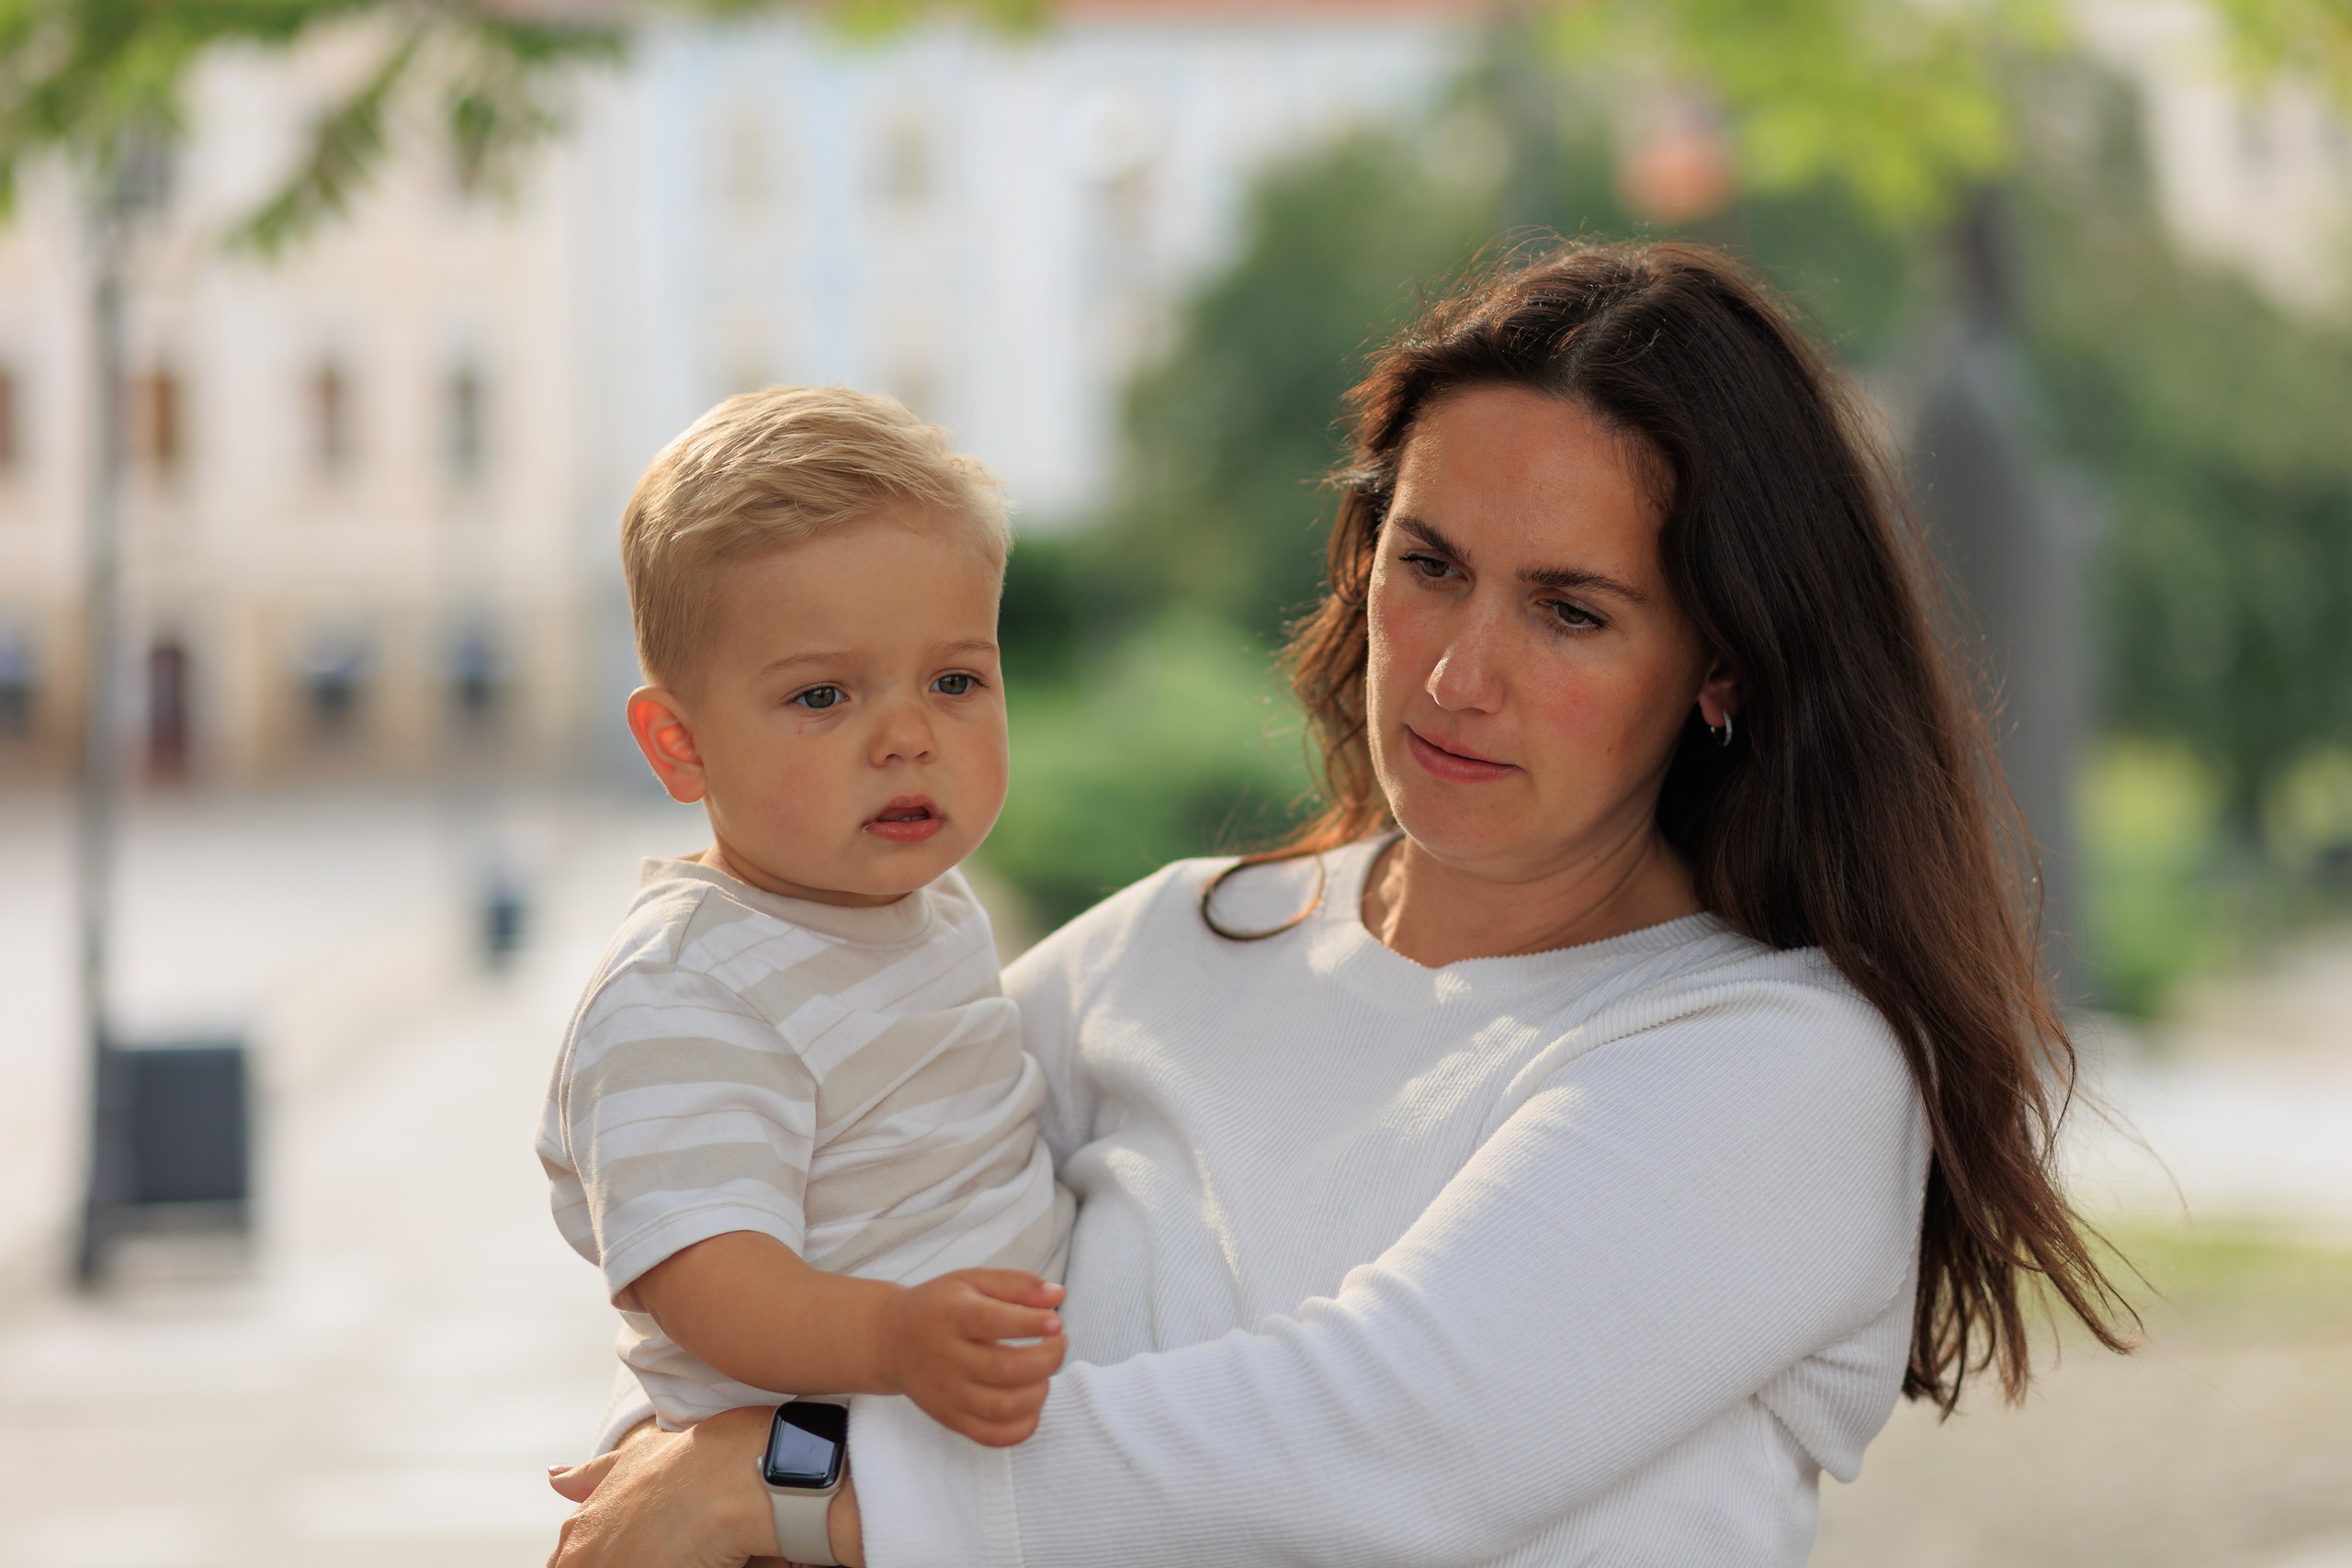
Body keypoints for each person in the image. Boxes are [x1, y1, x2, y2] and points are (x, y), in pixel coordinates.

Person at [546, 243, 2132, 1568]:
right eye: (1428, 563)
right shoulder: (1164, 946)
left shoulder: (1777, 1063)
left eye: (1570, 610)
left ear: (1720, 661)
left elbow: (1373, 1451)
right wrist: (694, 1453)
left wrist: (791, 1481)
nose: (1455, 672)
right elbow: (785, 1193)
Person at [537, 387, 1078, 1561]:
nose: (906, 736)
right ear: (679, 744)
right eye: (824, 696)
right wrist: (895, 1338)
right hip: (787, 1506)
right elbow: (707, 1279)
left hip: (932, 1472)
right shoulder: (688, 992)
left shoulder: (918, 902)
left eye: (954, 680)